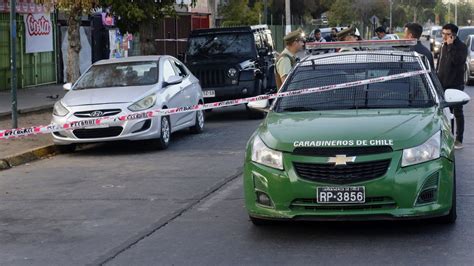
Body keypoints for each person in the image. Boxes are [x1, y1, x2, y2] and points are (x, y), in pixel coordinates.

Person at [436, 23, 468, 149]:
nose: (444, 36)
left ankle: (459, 140)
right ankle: (448, 137)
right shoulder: (444, 45)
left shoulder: (461, 47)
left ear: (454, 35)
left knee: (457, 113)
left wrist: (450, 46)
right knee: (446, 113)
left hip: (455, 85)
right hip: (442, 84)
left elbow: (458, 61)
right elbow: (440, 65)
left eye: (447, 34)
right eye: (442, 33)